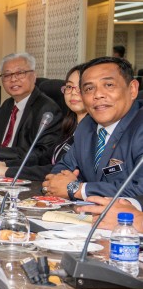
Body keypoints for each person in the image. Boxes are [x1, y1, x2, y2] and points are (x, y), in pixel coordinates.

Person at [44, 57, 143, 200]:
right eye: (89, 88)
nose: (97, 95)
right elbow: (62, 169)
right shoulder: (87, 126)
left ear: (132, 89)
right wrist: (57, 183)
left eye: (108, 85)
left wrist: (77, 189)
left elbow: (139, 190)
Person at [0, 64, 87, 180]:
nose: (73, 92)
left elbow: (61, 170)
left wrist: (9, 171)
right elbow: (43, 158)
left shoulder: (93, 132)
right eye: (69, 87)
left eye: (81, 87)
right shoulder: (69, 126)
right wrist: (6, 164)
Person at [0, 53, 61, 166]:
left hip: (20, 171)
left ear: (34, 76)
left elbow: (43, 153)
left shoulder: (47, 109)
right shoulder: (8, 105)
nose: (13, 79)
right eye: (7, 75)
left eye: (20, 73)